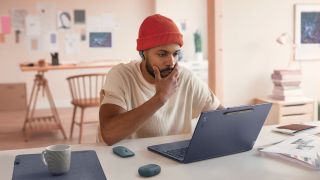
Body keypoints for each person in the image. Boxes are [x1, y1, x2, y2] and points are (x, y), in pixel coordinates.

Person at [99, 14, 223, 145]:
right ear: (143, 53)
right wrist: (160, 98)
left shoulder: (186, 78)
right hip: (125, 160)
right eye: (162, 54)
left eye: (175, 54)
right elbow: (109, 134)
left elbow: (223, 117)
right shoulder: (121, 75)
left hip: (172, 162)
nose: (171, 62)